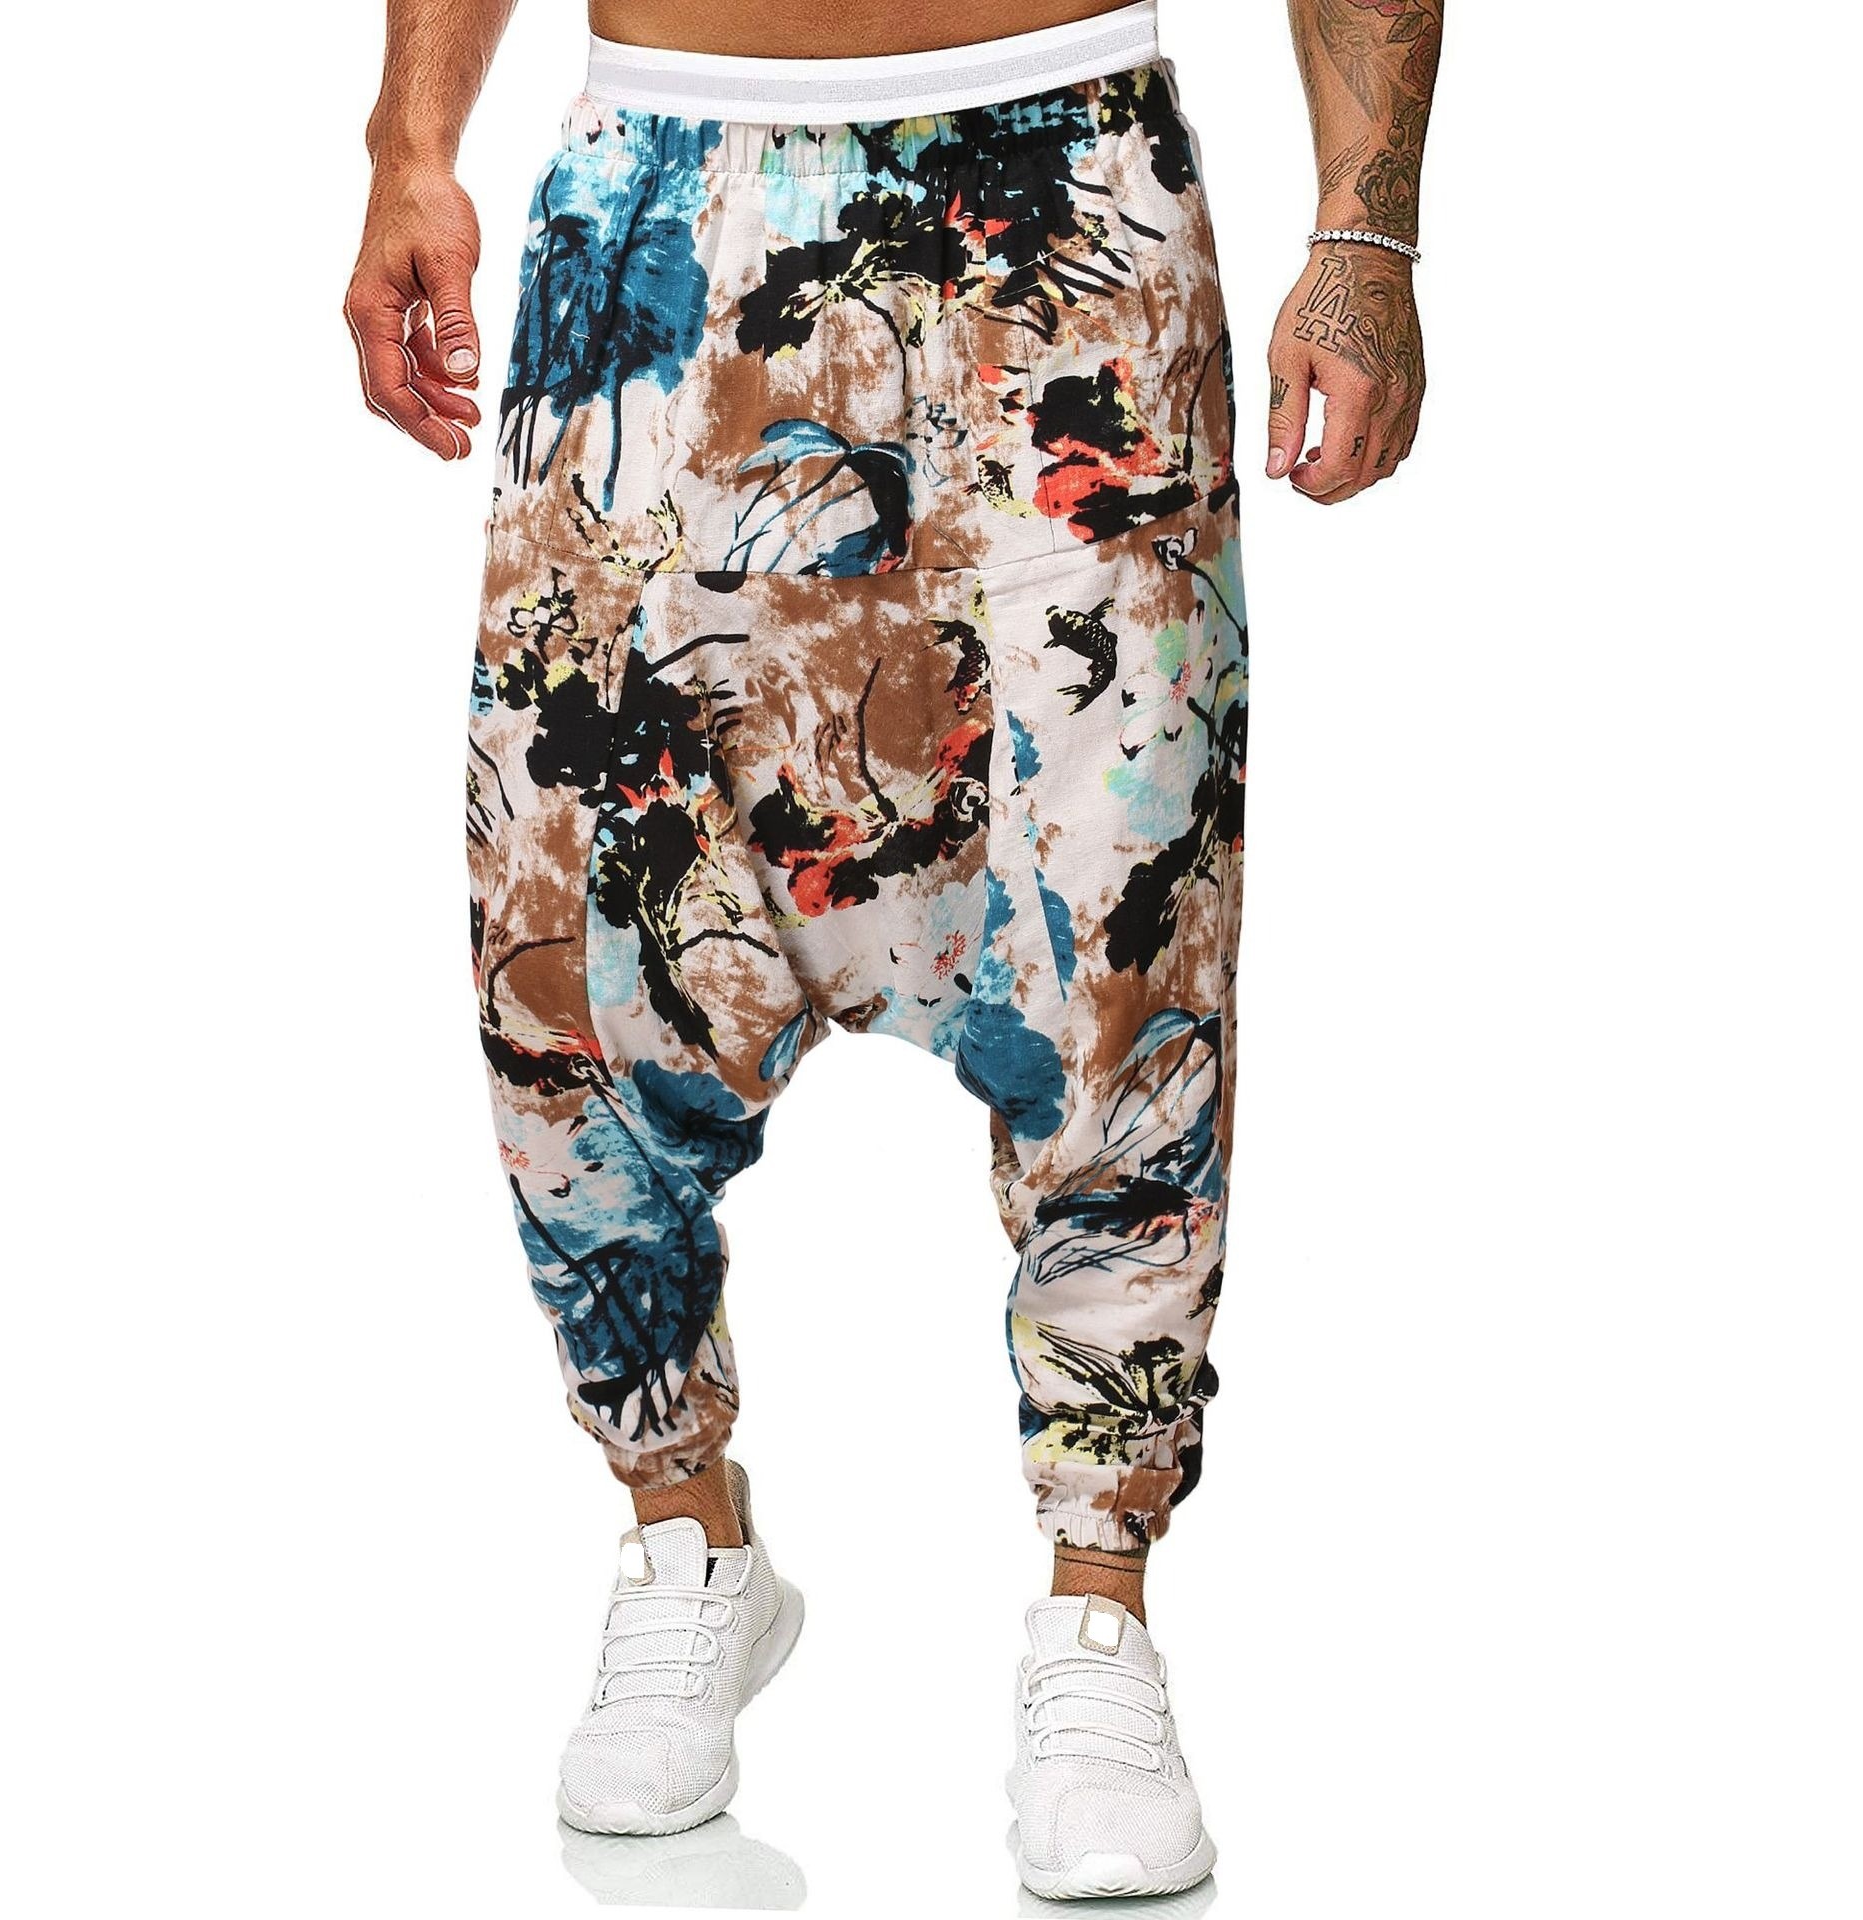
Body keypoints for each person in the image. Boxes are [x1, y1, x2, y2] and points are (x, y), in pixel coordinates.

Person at [347, 0, 1439, 1897]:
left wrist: (1366, 228)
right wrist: (408, 139)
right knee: (578, 916)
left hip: (1068, 190)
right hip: (661, 188)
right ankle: (684, 1534)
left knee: (1126, 919)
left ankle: (1098, 1607)